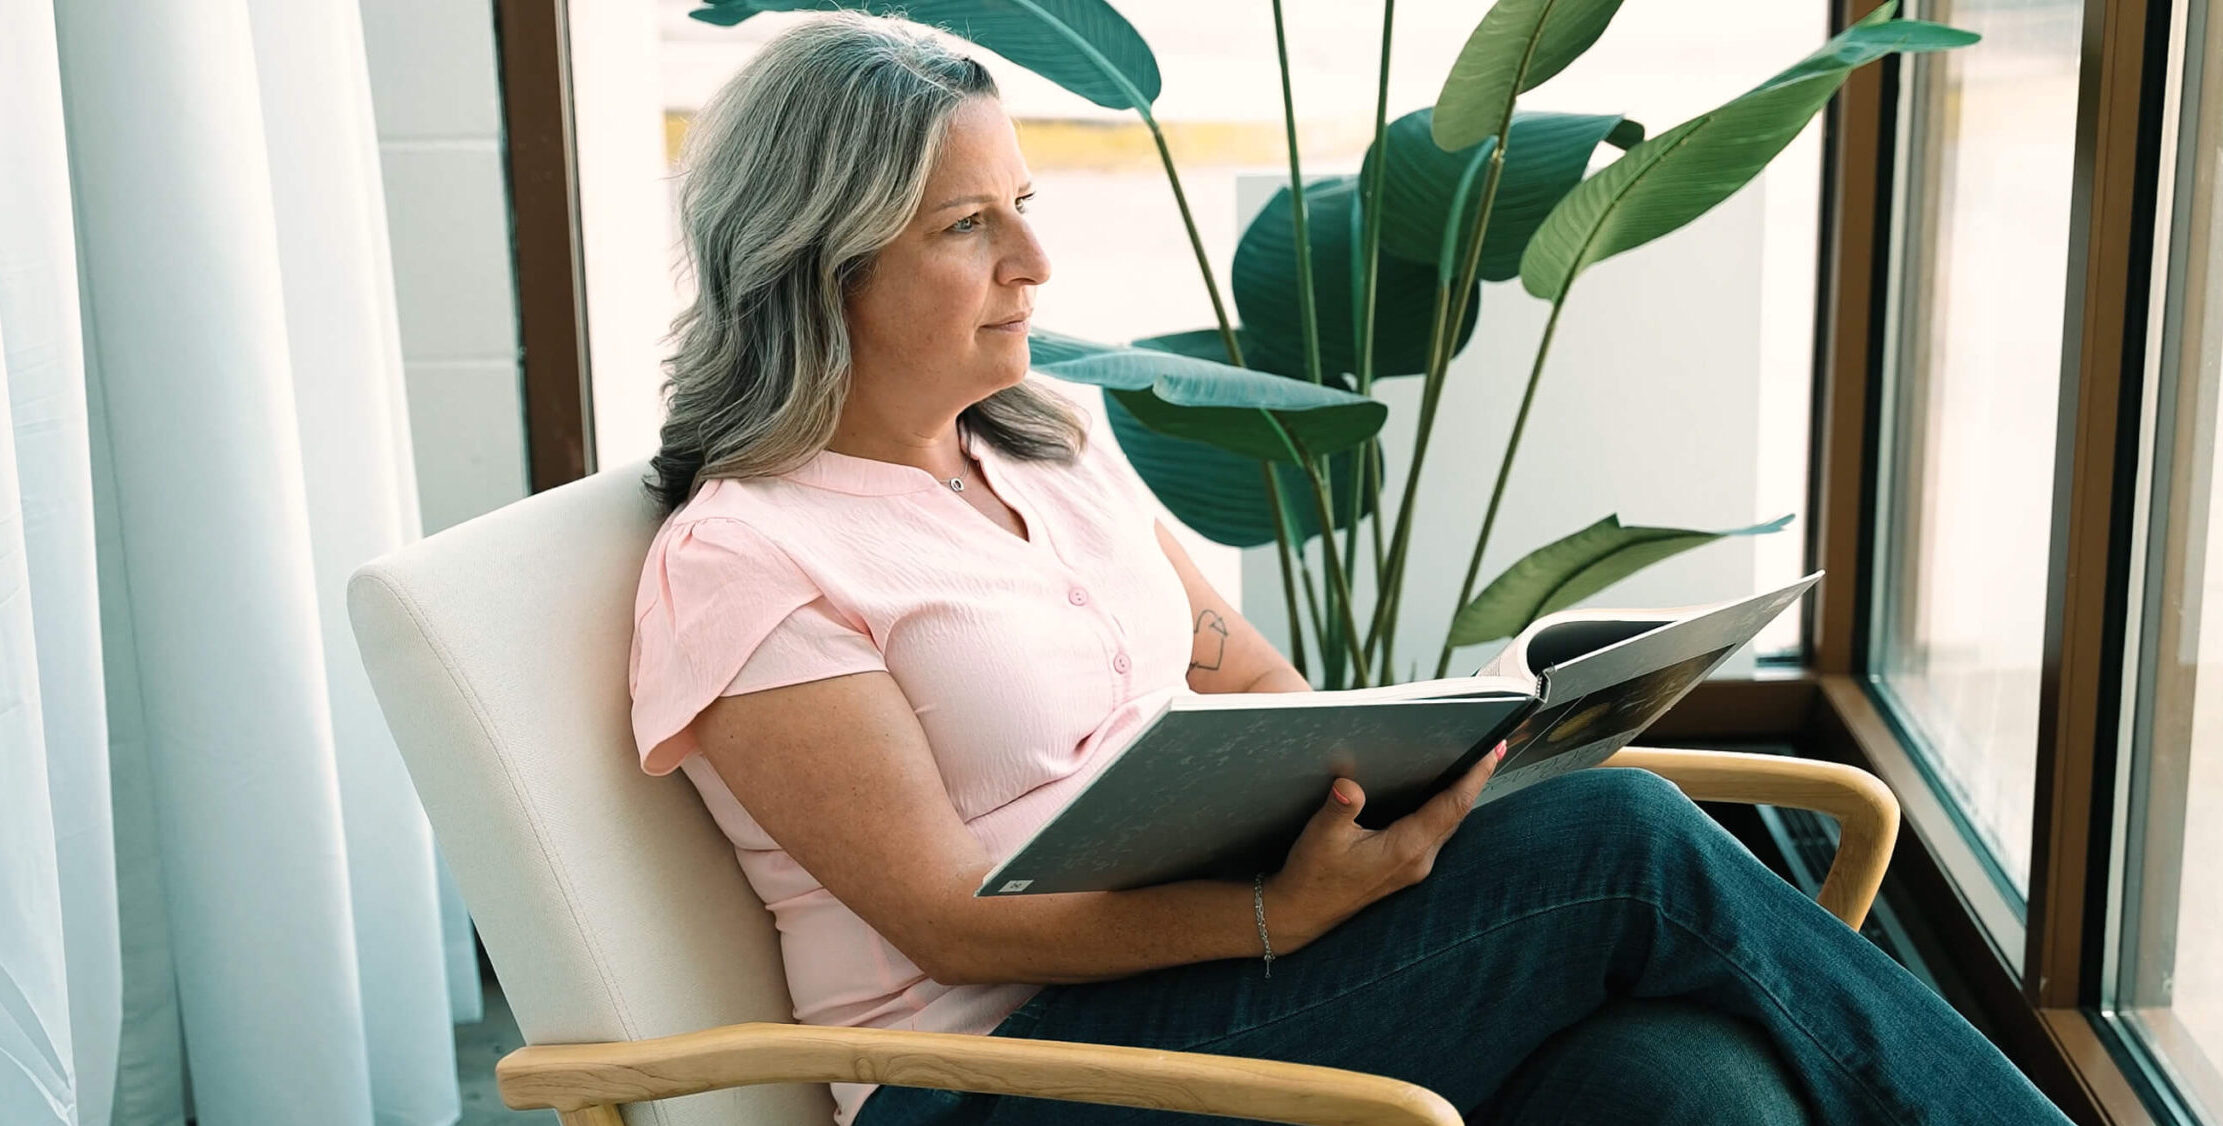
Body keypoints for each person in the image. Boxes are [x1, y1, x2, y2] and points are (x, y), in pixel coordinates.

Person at [628, 12, 2074, 1125]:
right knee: (1623, 843)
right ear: (823, 266)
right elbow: (943, 912)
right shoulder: (749, 557)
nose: (1032, 262)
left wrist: (1363, 782)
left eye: (1025, 204)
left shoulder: (1043, 450)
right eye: (967, 224)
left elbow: (1237, 668)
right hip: (1003, 1072)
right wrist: (1277, 911)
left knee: (1686, 1084)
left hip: (1226, 977)